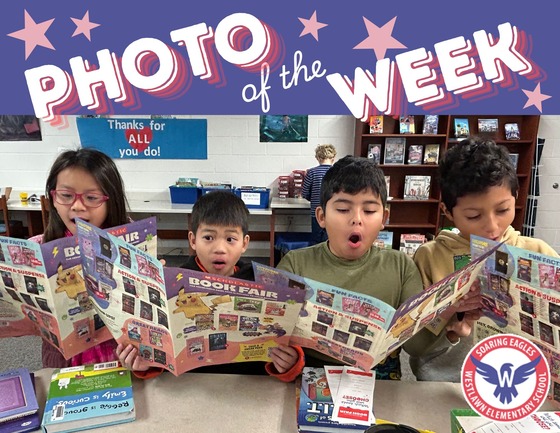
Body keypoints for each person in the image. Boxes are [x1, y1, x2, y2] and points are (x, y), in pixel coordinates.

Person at [277, 155, 478, 380]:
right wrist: (288, 361)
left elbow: (414, 346)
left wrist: (448, 321)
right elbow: (277, 337)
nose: (356, 219)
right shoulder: (295, 264)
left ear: (384, 217)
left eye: (370, 211)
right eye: (343, 209)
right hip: (310, 375)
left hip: (379, 381)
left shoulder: (401, 266)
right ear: (322, 217)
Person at [410, 137, 559, 382]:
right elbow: (415, 340)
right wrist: (451, 326)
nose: (491, 227)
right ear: (448, 212)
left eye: (502, 210)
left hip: (522, 383)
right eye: (473, 215)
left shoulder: (538, 252)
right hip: (446, 381)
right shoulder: (430, 256)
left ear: (516, 196)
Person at [117, 190, 304, 381]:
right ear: (192, 240)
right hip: (189, 385)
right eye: (208, 238)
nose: (219, 249)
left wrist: (290, 362)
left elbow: (283, 338)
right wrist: (145, 364)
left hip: (248, 384)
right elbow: (160, 354)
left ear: (244, 243)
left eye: (230, 239)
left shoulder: (261, 281)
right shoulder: (174, 283)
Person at [29, 148, 130, 368]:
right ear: (53, 199)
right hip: (63, 363)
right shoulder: (38, 247)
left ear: (110, 201)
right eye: (66, 196)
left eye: (91, 197)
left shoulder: (129, 246)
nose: (77, 206)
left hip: (118, 362)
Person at [302, 144, 337, 245]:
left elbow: (304, 193)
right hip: (333, 212)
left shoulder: (311, 172)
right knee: (331, 241)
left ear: (317, 157)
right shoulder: (337, 172)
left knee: (316, 241)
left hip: (316, 213)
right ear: (333, 158)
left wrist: (312, 198)